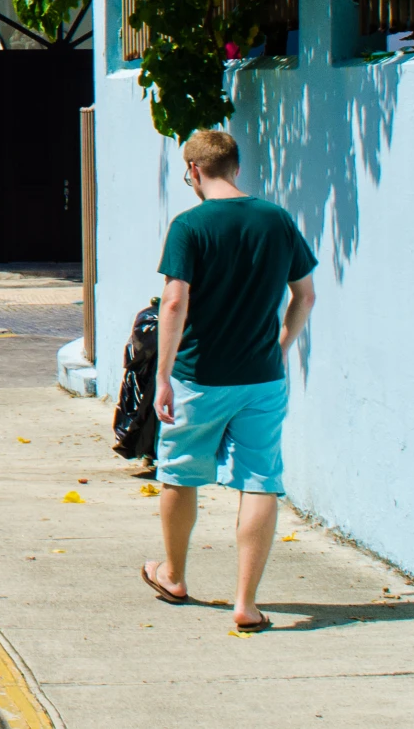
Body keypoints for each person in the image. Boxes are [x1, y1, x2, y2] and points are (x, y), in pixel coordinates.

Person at [139, 129, 316, 632]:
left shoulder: (190, 225)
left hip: (199, 377)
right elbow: (304, 296)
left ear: (194, 171)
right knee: (260, 481)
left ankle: (173, 575)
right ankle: (246, 602)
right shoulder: (277, 220)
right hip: (261, 379)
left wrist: (164, 376)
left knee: (178, 471)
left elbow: (174, 302)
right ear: (235, 168)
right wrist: (278, 349)